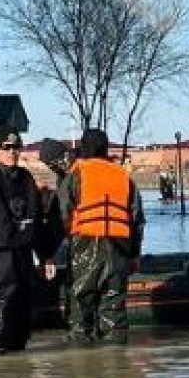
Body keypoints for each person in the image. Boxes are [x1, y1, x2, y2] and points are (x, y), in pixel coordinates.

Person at [0, 125, 57, 355]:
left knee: (21, 321)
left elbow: (36, 221)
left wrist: (46, 256)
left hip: (22, 257)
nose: (13, 152)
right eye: (8, 148)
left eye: (17, 147)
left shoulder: (25, 178)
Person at [58, 128, 144, 345]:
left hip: (84, 245)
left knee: (80, 308)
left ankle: (82, 371)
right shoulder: (123, 176)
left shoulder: (75, 175)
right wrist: (135, 254)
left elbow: (62, 213)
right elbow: (136, 219)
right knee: (114, 309)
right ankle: (116, 367)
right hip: (119, 248)